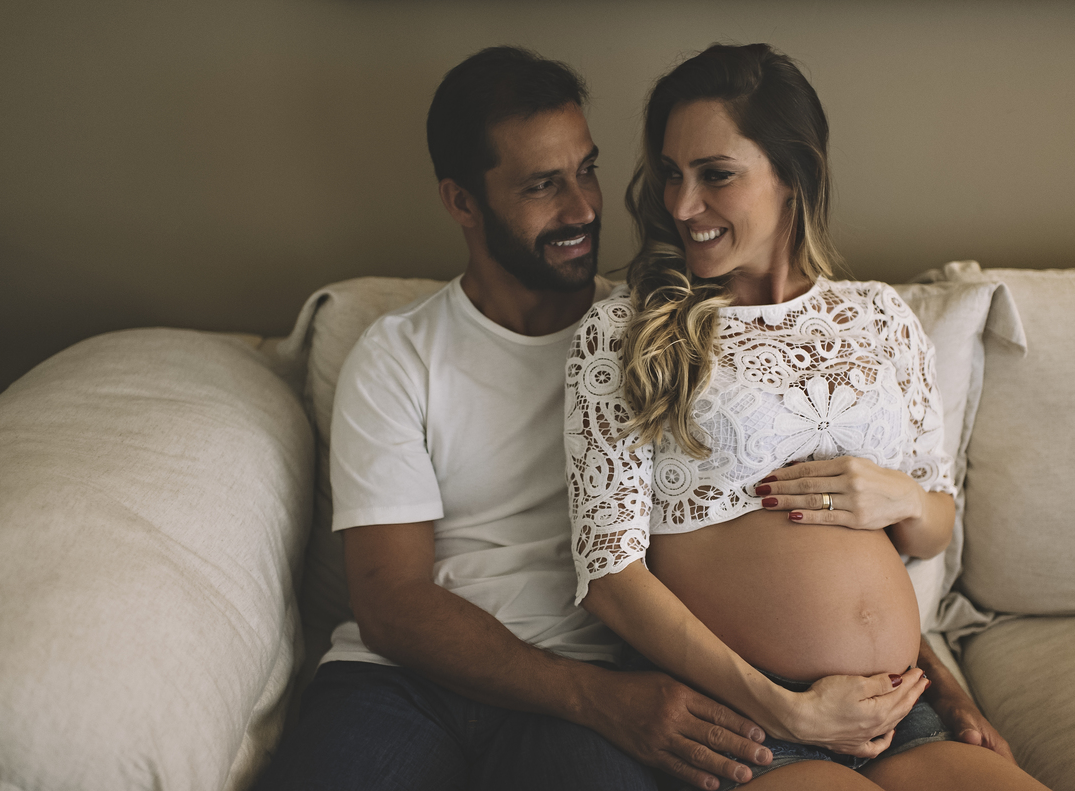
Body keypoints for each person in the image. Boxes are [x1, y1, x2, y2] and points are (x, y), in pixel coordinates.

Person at [256, 45, 1017, 791]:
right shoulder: (437, 351)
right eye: (542, 185)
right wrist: (610, 699)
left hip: (638, 681)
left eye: (587, 170)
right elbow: (397, 602)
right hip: (441, 684)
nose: (585, 207)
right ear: (462, 201)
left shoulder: (687, 327)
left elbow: (834, 543)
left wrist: (937, 681)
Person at [565, 43, 1048, 790]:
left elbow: (932, 527)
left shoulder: (880, 317)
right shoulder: (627, 331)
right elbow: (610, 576)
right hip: (751, 724)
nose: (681, 205)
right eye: (670, 173)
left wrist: (903, 498)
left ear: (794, 173)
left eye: (715, 175)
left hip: (903, 709)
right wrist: (787, 710)